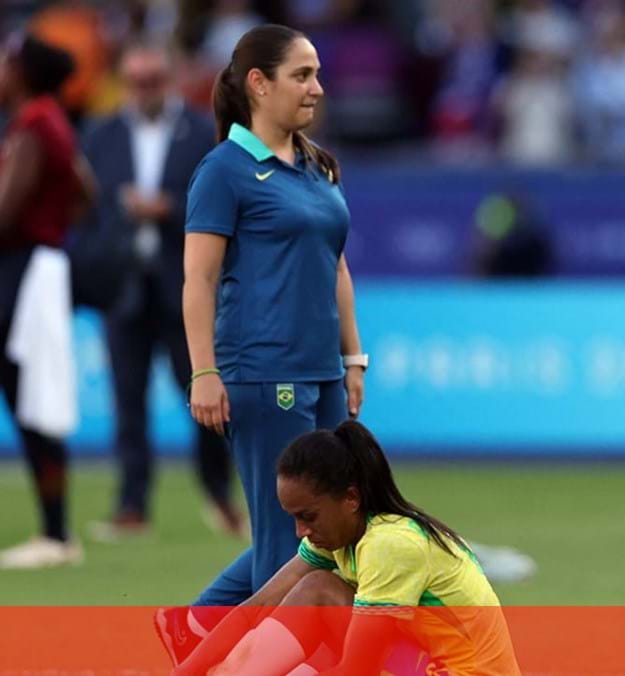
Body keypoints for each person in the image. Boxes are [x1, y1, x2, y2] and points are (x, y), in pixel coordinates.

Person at [155, 23, 367, 662]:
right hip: (260, 373)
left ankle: (199, 623)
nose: (317, 88)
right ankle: (283, 659)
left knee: (337, 526)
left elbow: (336, 265)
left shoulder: (316, 164)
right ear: (258, 83)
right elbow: (198, 278)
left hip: (322, 371)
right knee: (289, 536)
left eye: (317, 74)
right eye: (302, 75)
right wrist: (203, 372)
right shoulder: (223, 171)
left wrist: (352, 357)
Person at [173, 421, 521, 675]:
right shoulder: (344, 532)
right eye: (293, 518)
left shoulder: (389, 545)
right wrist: (185, 672)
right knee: (314, 600)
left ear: (351, 498)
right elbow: (257, 606)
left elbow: (358, 668)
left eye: (308, 516)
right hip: (423, 664)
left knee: (318, 596)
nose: (300, 531)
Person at [80, 40, 243, 541]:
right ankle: (132, 505)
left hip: (182, 283)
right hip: (125, 285)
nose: (143, 89)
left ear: (169, 79)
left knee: (202, 395)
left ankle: (220, 494)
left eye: (152, 80)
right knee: (127, 402)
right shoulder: (100, 135)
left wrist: (168, 209)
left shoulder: (202, 132)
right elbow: (88, 208)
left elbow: (223, 199)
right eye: (135, 81)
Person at [0, 32, 95, 569]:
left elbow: (6, 212)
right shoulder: (51, 121)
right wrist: (54, 226)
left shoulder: (36, 122)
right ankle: (55, 530)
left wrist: (42, 229)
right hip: (35, 269)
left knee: (31, 401)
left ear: (24, 71)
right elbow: (87, 193)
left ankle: (56, 533)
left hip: (22, 274)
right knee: (29, 399)